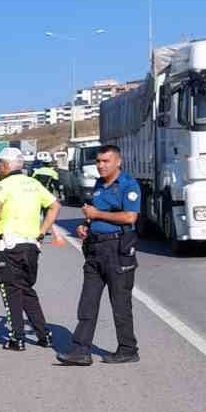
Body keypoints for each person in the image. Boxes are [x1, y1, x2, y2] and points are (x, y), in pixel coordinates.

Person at [57, 145, 141, 366]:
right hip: (95, 249)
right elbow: (93, 212)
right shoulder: (98, 184)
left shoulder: (128, 185)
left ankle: (128, 349)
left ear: (118, 162)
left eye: (106, 161)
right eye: (98, 162)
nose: (101, 165)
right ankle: (80, 350)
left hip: (117, 249)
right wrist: (86, 224)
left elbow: (131, 217)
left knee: (120, 304)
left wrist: (97, 215)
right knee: (88, 302)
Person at [0, 148, 62, 351]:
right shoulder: (34, 183)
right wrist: (42, 231)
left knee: (10, 290)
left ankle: (16, 338)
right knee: (26, 290)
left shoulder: (3, 184)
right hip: (31, 244)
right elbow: (55, 205)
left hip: (9, 245)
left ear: (5, 165)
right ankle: (43, 334)